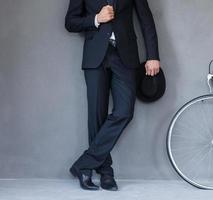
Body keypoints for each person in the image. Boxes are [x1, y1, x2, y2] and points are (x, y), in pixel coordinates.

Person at [64, 0, 160, 191]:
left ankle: (84, 164)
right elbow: (70, 22)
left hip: (125, 56)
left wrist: (153, 55)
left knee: (125, 111)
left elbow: (146, 19)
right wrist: (96, 19)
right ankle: (105, 173)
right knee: (96, 116)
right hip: (95, 56)